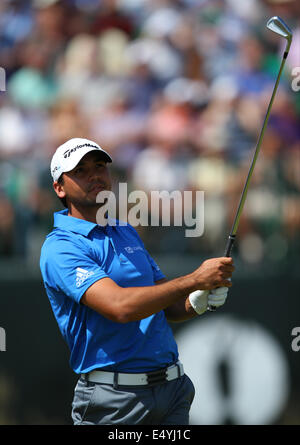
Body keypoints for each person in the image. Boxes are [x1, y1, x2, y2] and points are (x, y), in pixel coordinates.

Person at [40, 137, 234, 425]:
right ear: (59, 187)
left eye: (99, 166)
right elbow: (120, 307)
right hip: (114, 402)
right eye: (80, 171)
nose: (94, 175)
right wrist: (193, 279)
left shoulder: (124, 230)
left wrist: (198, 300)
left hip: (172, 392)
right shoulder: (60, 247)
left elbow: (165, 306)